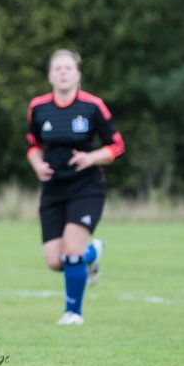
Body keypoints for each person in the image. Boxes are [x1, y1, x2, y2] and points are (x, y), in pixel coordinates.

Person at [26, 49, 124, 326]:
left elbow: (117, 145)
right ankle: (92, 253)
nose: (63, 73)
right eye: (57, 68)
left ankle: (73, 314)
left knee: (71, 253)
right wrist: (37, 164)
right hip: (53, 189)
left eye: (68, 68)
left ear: (78, 74)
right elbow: (32, 143)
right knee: (55, 261)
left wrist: (90, 158)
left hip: (87, 186)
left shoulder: (93, 106)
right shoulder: (38, 107)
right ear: (50, 75)